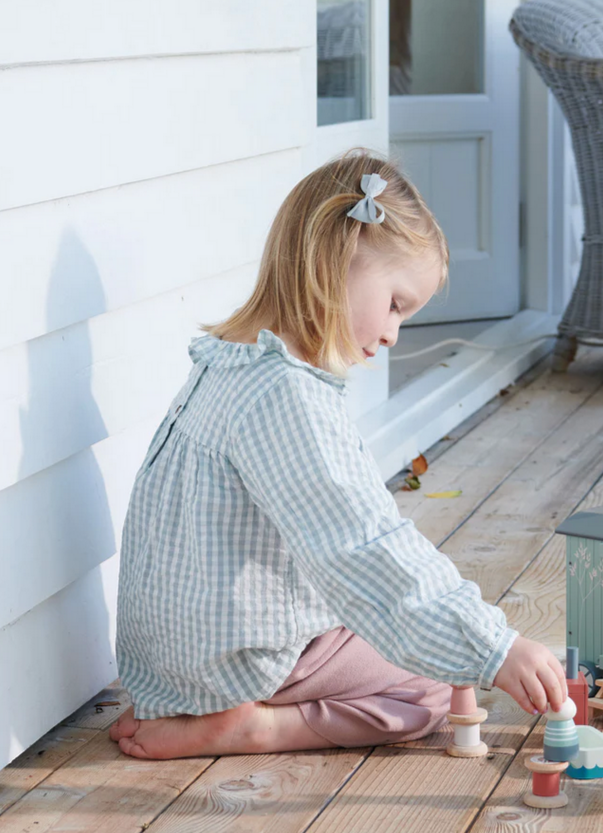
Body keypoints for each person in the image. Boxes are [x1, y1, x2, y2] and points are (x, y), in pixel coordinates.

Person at [109, 148, 567, 760]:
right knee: (437, 684)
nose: (393, 334)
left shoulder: (227, 362)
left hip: (170, 659)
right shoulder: (289, 398)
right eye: (397, 303)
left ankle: (202, 708)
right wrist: (494, 646)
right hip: (233, 664)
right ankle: (253, 725)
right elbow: (362, 547)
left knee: (403, 628)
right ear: (335, 260)